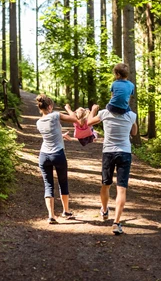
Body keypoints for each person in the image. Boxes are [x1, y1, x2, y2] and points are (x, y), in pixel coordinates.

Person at [87, 103, 137, 235]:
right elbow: (134, 132)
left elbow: (88, 122)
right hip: (125, 153)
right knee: (121, 188)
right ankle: (116, 223)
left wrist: (93, 110)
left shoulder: (104, 113)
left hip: (108, 152)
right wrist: (133, 119)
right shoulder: (131, 115)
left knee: (106, 184)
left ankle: (104, 210)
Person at [35, 94, 79, 224]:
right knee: (63, 182)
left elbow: (50, 133)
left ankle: (51, 216)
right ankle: (66, 211)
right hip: (57, 154)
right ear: (50, 106)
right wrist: (68, 109)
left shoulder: (38, 122)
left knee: (48, 185)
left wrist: (61, 134)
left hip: (44, 156)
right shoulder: (55, 115)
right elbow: (74, 119)